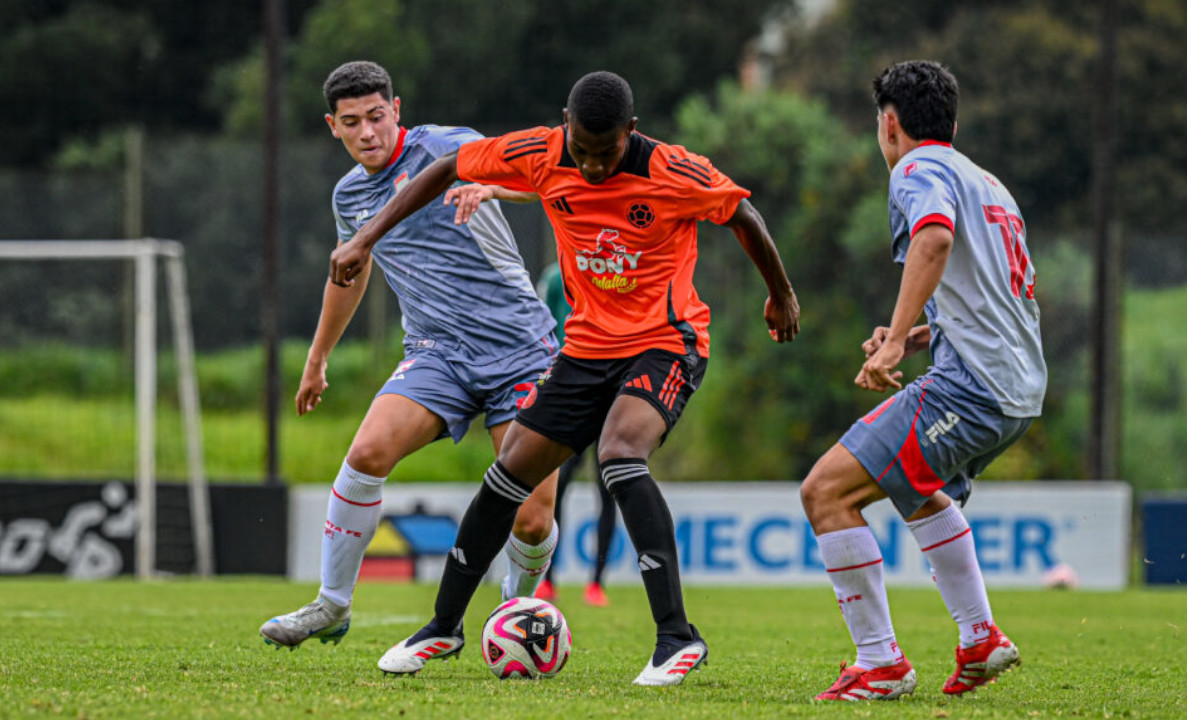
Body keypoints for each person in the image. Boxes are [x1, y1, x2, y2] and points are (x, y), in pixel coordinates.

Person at [331, 70, 801, 685]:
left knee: (619, 454)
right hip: (584, 348)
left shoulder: (673, 170)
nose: (594, 166)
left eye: (606, 154)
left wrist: (781, 295)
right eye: (581, 150)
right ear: (565, 126)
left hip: (665, 343)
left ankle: (677, 638)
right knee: (508, 477)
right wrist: (366, 237)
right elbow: (447, 169)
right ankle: (443, 628)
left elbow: (743, 215)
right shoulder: (541, 150)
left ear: (630, 133)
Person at [258, 60, 562, 653]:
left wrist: (493, 185)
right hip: (437, 354)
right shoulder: (349, 194)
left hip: (521, 351)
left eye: (377, 116)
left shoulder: (449, 147)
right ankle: (332, 603)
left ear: (396, 110)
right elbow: (350, 270)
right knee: (367, 451)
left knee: (530, 517)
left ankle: (514, 613)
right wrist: (318, 357)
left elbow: (548, 173)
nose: (368, 132)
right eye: (353, 123)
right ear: (333, 127)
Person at [800, 60, 1046, 702]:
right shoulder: (987, 182)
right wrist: (911, 337)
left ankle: (880, 664)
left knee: (825, 492)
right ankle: (980, 637)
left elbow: (934, 240)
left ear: (889, 124)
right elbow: (993, 297)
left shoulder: (917, 168)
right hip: (1016, 390)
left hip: (972, 387)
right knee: (914, 487)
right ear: (954, 122)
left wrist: (888, 340)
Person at [533, 261, 616, 608]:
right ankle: (548, 579)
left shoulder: (614, 273)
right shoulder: (554, 276)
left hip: (611, 393)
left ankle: (596, 583)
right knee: (558, 485)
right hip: (572, 391)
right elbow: (540, 326)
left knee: (609, 487)